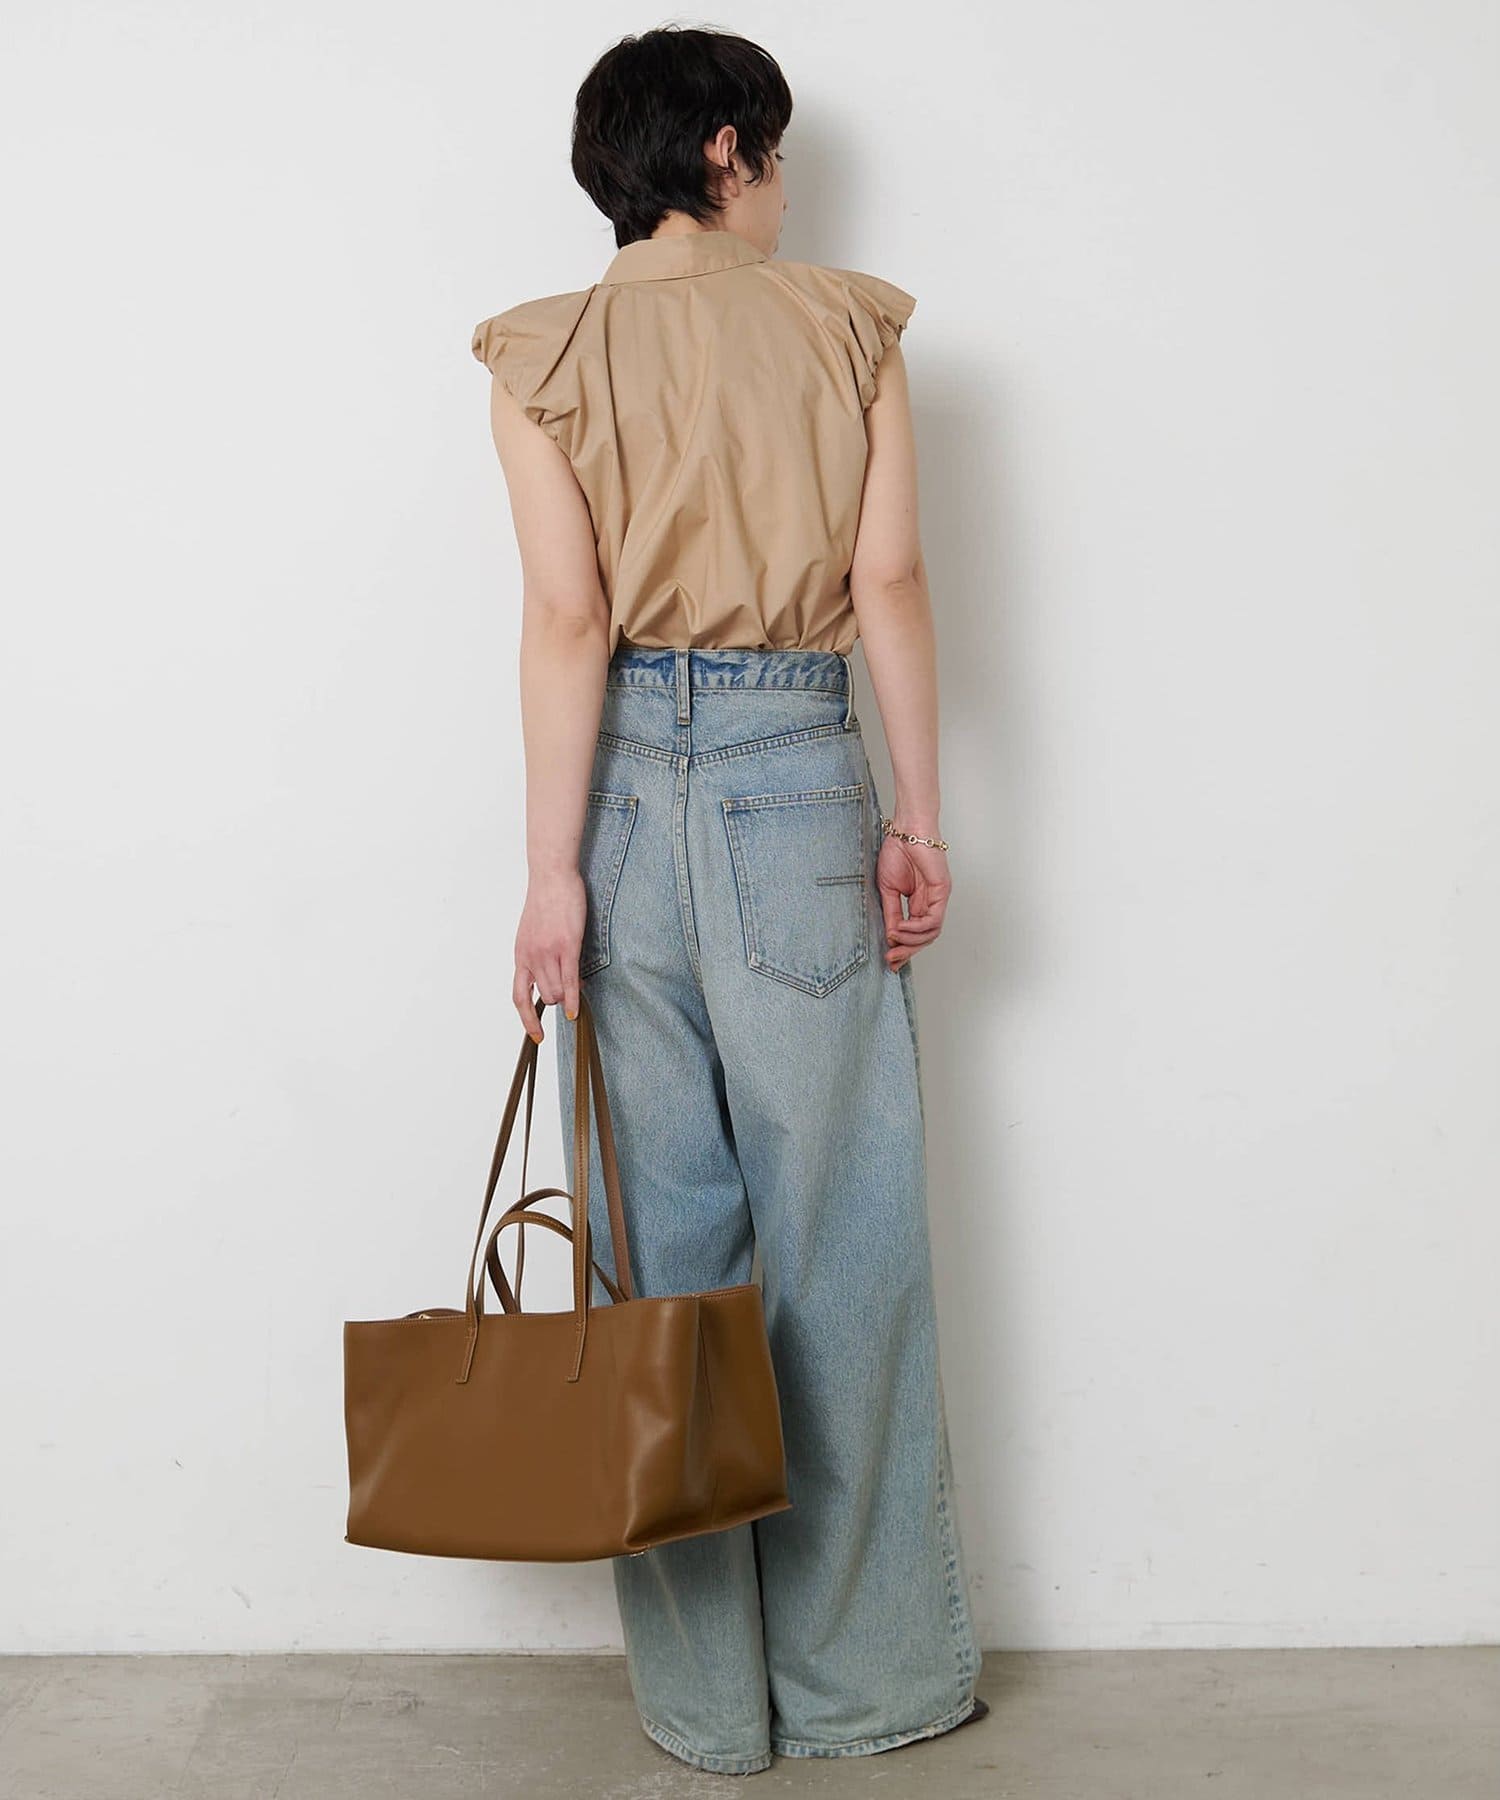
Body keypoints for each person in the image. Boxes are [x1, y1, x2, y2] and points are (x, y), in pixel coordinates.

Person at [470, 24, 986, 1777]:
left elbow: (568, 621)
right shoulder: (850, 329)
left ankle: (707, 1709)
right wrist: (918, 817)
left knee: (661, 1272)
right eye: (772, 154)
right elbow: (888, 577)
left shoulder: (540, 354)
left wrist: (553, 875)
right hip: (793, 779)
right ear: (719, 154)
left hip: (618, 798)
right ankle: (866, 1690)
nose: (782, 189)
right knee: (844, 1241)